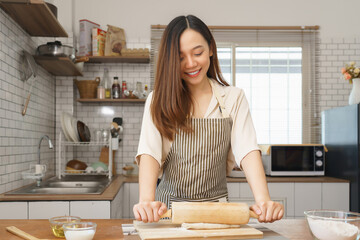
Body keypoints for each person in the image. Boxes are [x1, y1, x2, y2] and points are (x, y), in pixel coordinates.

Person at [133, 15, 284, 224]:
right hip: (168, 214)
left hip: (218, 214)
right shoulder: (157, 100)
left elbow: (247, 149)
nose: (191, 63)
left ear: (211, 49)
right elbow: (150, 152)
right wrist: (146, 201)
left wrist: (263, 199)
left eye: (198, 53)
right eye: (180, 57)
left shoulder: (233, 98)